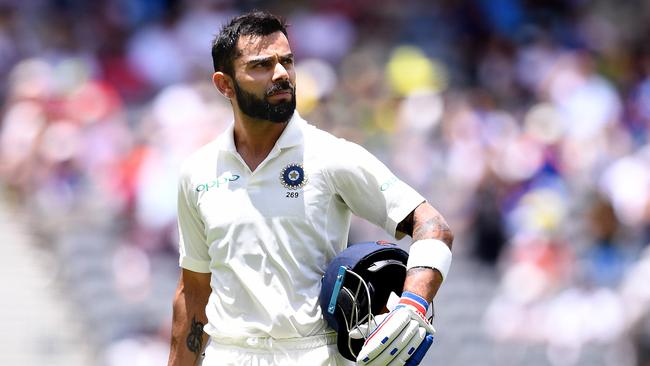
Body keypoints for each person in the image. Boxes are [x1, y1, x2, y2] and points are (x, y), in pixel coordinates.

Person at [167, 11, 453, 366]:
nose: (281, 74)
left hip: (312, 356)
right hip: (227, 355)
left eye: (286, 61)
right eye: (261, 65)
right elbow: (194, 294)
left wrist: (413, 304)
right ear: (225, 84)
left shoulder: (332, 156)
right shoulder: (197, 172)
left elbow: (433, 228)